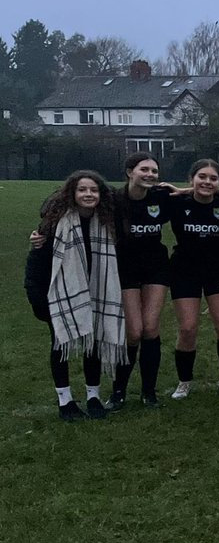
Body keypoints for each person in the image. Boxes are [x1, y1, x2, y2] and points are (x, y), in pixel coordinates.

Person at [26, 171, 125, 420]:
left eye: (94, 190)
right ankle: (65, 401)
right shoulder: (54, 223)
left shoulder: (106, 222)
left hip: (97, 291)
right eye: (82, 189)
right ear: (72, 193)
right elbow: (36, 262)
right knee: (61, 343)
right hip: (58, 293)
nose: (88, 194)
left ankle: (93, 396)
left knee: (92, 344)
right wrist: (36, 296)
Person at [165, 159, 219, 399]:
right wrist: (185, 192)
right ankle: (184, 382)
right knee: (187, 328)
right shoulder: (175, 202)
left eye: (213, 178)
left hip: (218, 269)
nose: (207, 182)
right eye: (202, 177)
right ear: (191, 179)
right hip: (184, 269)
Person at [108, 152, 172, 409]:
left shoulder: (160, 197)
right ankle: (118, 391)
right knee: (133, 332)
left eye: (154, 171)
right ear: (129, 172)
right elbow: (69, 201)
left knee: (150, 329)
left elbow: (204, 191)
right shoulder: (112, 200)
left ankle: (149, 392)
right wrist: (40, 234)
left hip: (156, 268)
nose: (150, 175)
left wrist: (179, 188)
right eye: (144, 170)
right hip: (125, 270)